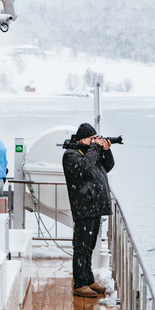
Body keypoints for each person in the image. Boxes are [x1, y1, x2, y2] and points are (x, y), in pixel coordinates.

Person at [62, 123, 115, 298]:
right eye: (92, 139)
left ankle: (88, 279)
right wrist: (94, 148)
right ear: (83, 139)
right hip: (83, 206)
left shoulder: (89, 153)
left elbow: (107, 166)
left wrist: (105, 150)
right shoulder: (70, 155)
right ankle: (79, 283)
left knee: (89, 246)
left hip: (94, 206)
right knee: (81, 246)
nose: (95, 142)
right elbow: (84, 167)